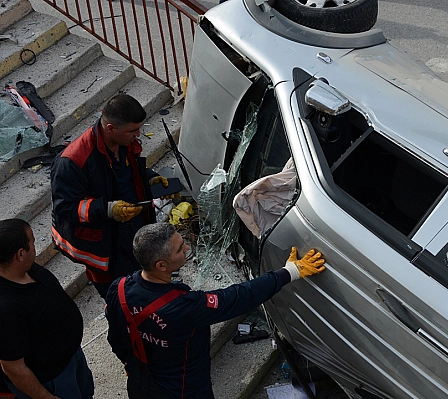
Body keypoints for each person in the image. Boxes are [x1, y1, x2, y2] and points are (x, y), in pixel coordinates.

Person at [105, 223, 325, 399]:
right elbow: (238, 297)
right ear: (161, 266)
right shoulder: (184, 307)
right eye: (180, 248)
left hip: (140, 382)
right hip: (184, 389)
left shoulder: (120, 289)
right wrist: (290, 272)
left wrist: (129, 363)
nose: (187, 248)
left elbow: (114, 335)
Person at [51, 94, 170, 299]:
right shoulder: (72, 161)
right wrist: (107, 209)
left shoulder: (122, 143)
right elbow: (66, 207)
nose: (137, 134)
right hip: (103, 241)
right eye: (132, 131)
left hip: (130, 230)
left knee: (141, 280)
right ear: (110, 129)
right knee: (119, 295)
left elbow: (125, 175)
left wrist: (149, 179)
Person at [0, 219, 94, 399]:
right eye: (32, 243)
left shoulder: (25, 269)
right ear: (20, 254)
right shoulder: (6, 311)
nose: (35, 248)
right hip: (51, 380)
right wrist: (46, 397)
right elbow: (14, 368)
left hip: (70, 358)